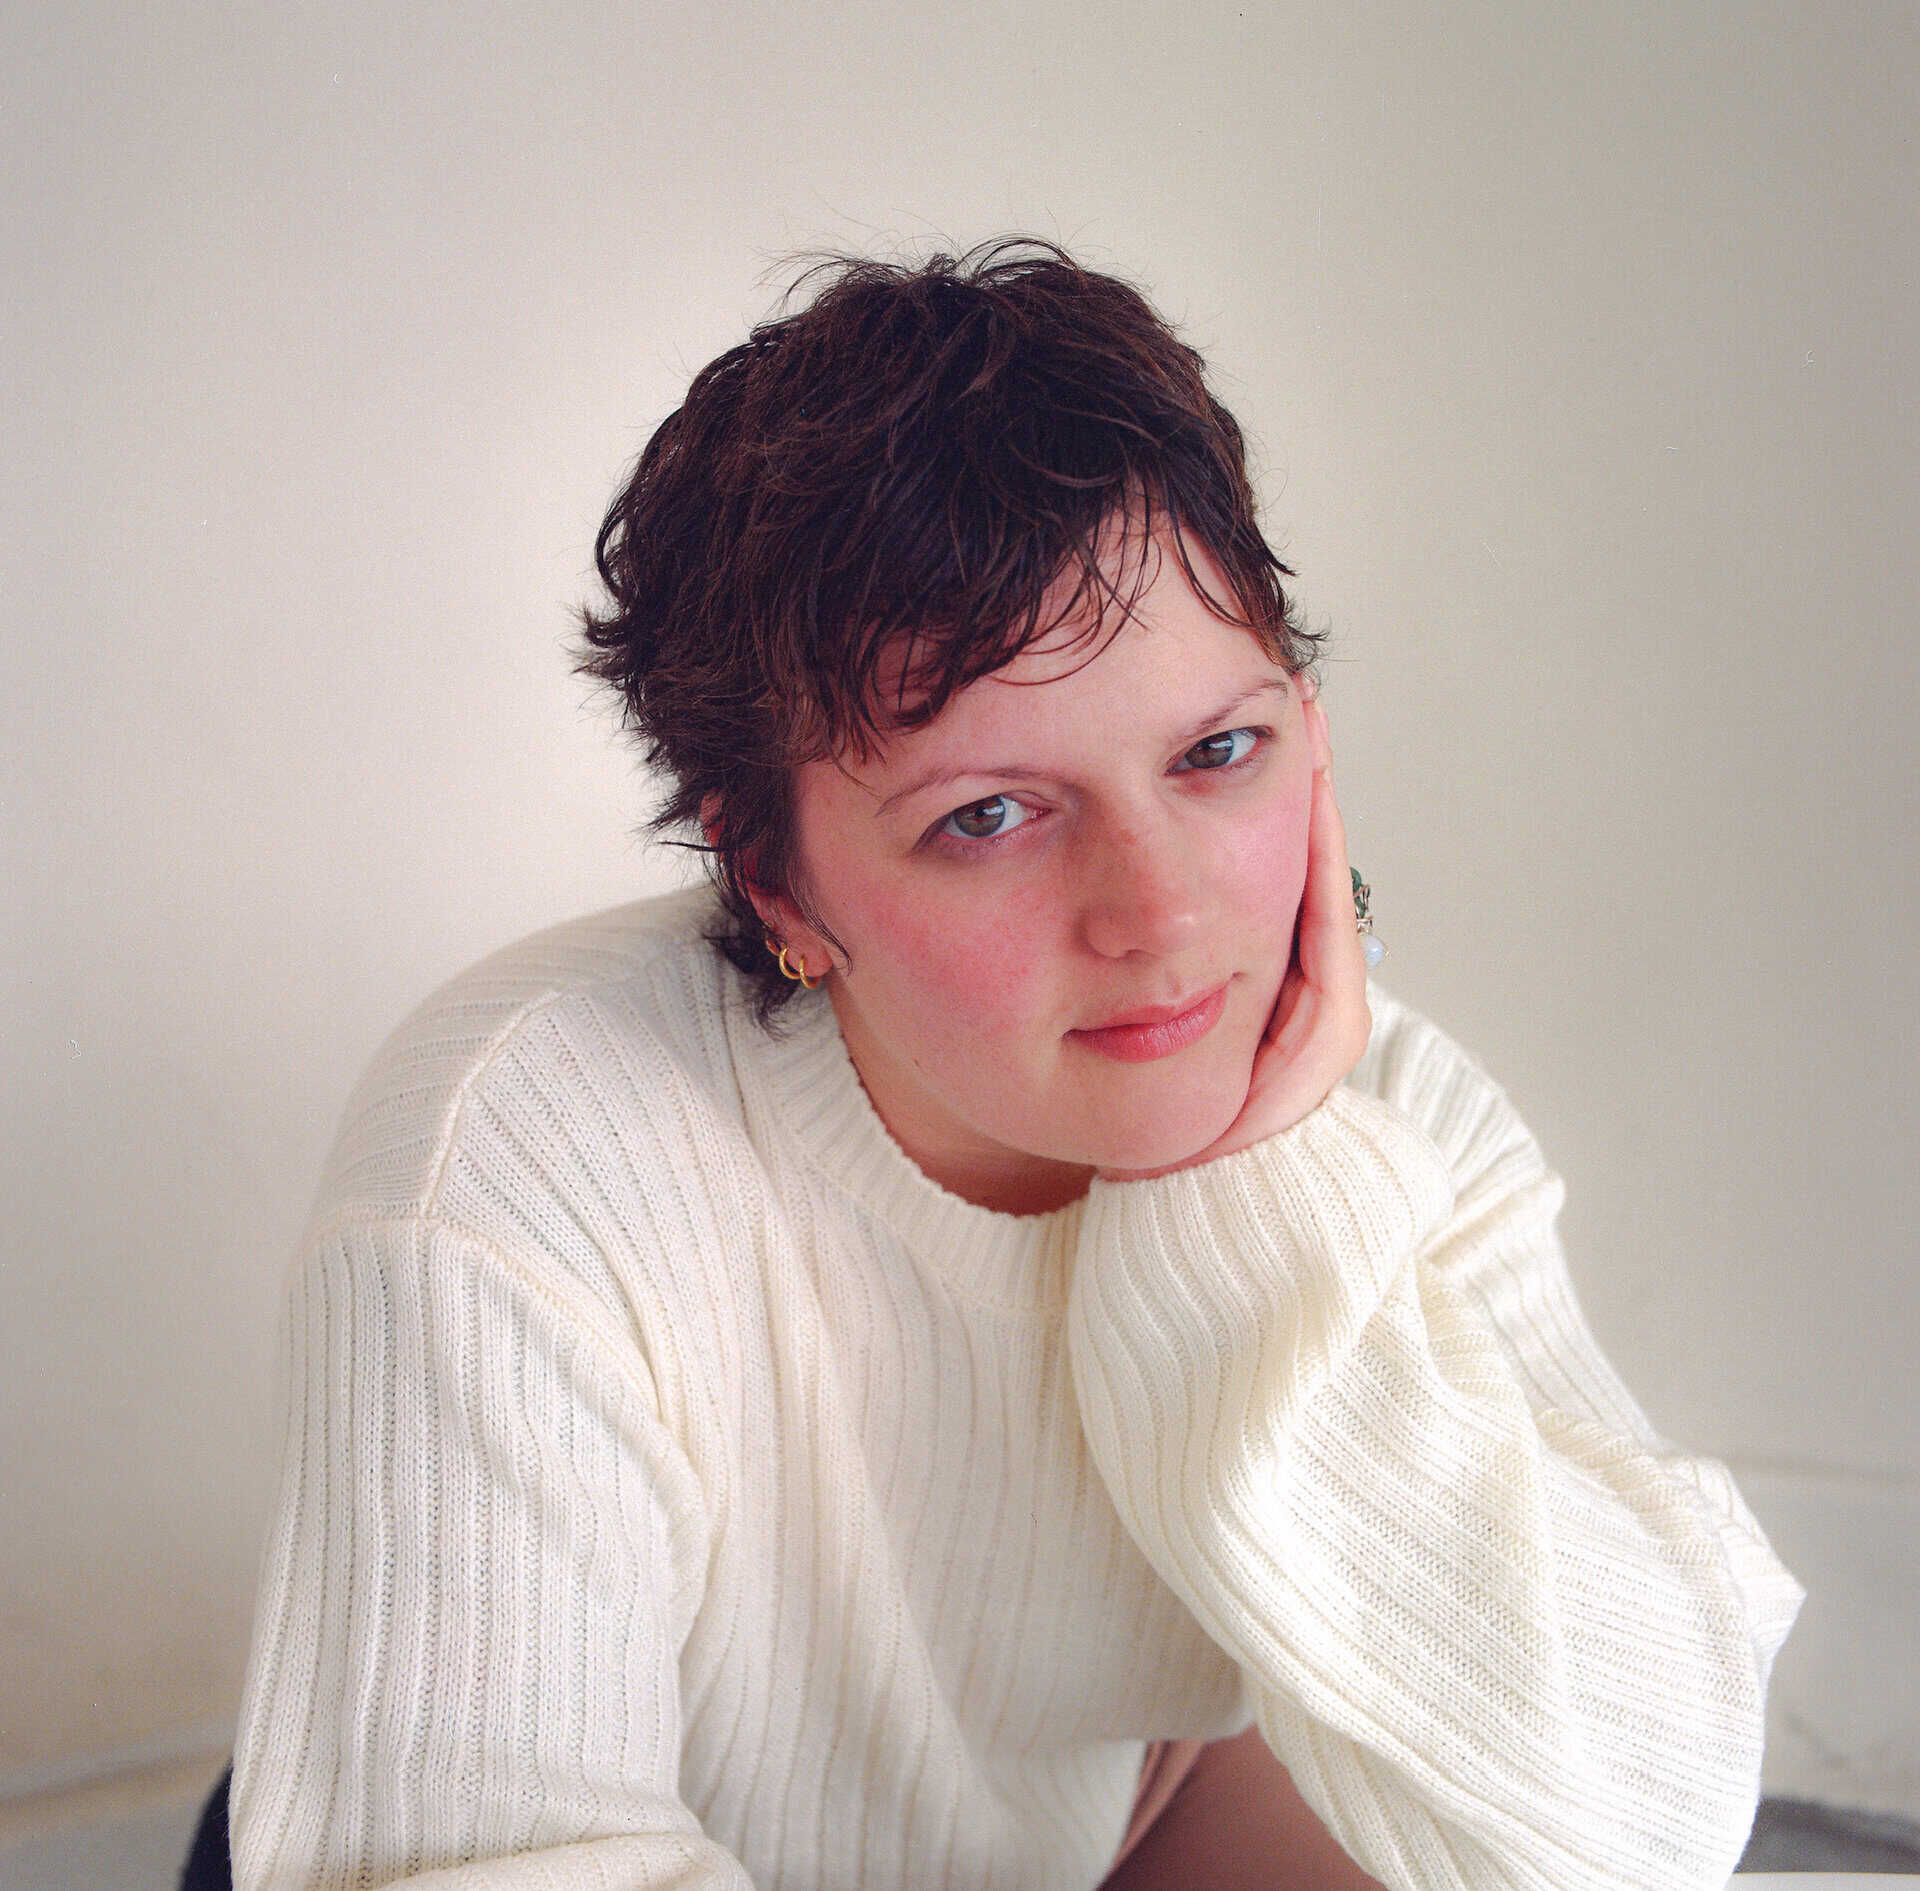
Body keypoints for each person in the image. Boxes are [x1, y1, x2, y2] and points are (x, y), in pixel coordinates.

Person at [227, 241, 1802, 1891]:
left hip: (1117, 1826)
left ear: (1311, 736)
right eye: (989, 815)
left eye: (1219, 752)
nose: (1163, 914)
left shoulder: (1392, 1113)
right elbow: (474, 1861)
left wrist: (1247, 1189)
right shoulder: (525, 1146)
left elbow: (1647, 1823)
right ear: (776, 882)